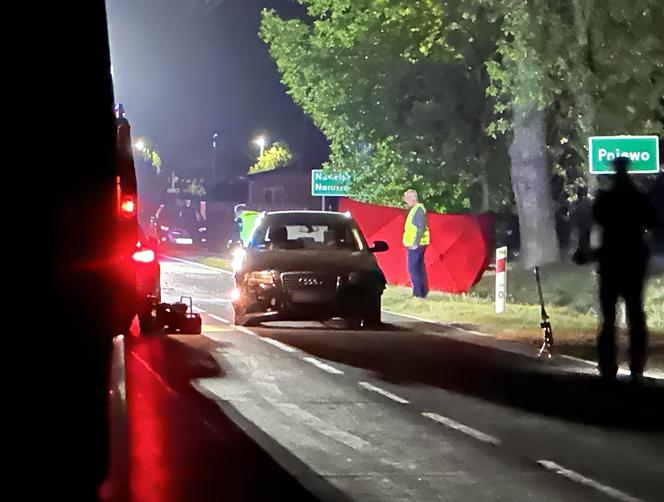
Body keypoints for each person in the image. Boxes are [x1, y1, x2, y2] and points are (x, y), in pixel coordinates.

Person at [592, 157, 657, 382]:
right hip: (633, 261)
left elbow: (596, 219)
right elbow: (652, 221)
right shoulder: (639, 198)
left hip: (611, 261)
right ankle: (636, 364)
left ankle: (607, 365)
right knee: (635, 314)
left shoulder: (606, 199)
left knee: (609, 316)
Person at [402, 189, 430, 298]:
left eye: (408, 198)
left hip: (416, 244)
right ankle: (422, 292)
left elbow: (420, 227)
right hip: (418, 243)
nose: (406, 201)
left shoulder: (417, 210)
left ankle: (418, 293)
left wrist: (415, 242)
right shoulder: (416, 209)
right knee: (419, 268)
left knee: (413, 269)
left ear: (413, 198)